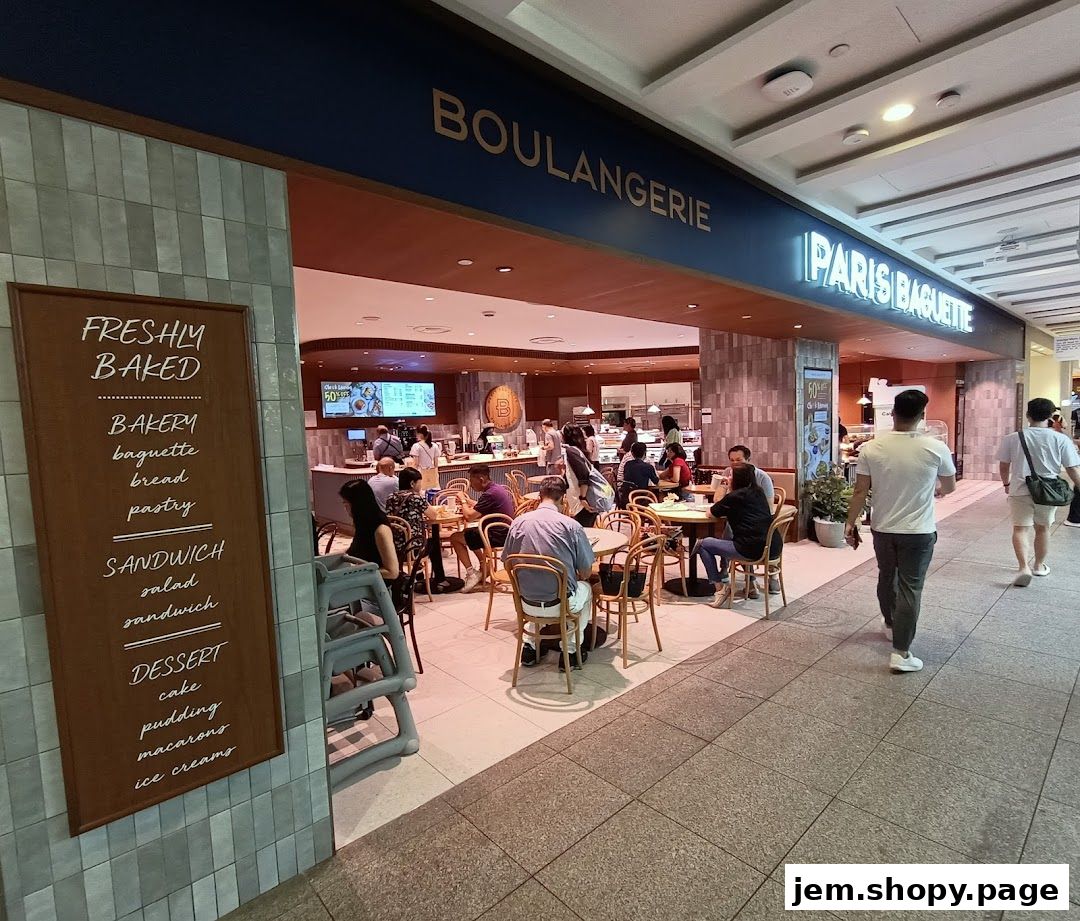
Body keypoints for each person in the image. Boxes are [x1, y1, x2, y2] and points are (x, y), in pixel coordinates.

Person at [844, 390, 956, 674]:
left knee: (886, 576)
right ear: (922, 416)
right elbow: (949, 487)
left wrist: (849, 523)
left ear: (892, 413)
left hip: (883, 529)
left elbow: (860, 491)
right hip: (918, 531)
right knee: (910, 587)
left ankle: (891, 623)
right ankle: (901, 653)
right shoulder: (935, 447)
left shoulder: (872, 448)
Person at [503, 477, 595, 670]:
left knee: (537, 584)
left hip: (526, 603)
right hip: (559, 604)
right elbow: (586, 572)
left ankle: (530, 646)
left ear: (539, 496)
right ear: (563, 499)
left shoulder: (518, 523)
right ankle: (570, 652)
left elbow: (508, 564)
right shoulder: (571, 526)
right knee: (586, 588)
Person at [996, 397, 1080, 582]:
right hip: (1048, 492)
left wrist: (1006, 484)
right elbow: (1072, 468)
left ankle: (1023, 568)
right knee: (1042, 529)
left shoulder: (1012, 438)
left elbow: (1004, 465)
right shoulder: (1060, 439)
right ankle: (1039, 566)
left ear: (1027, 415)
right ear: (1050, 417)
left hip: (1019, 488)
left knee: (1020, 529)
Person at [696, 465, 782, 608]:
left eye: (731, 476)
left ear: (738, 479)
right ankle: (750, 583)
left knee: (703, 544)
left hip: (751, 549)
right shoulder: (758, 492)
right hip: (773, 547)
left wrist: (724, 487)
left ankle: (720, 588)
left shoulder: (734, 497)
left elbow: (710, 513)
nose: (728, 478)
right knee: (738, 538)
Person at [451, 464, 516, 592]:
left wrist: (463, 501)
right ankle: (484, 566)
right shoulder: (496, 489)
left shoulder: (489, 494)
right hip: (504, 531)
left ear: (481, 479)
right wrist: (469, 502)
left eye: (471, 480)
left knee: (455, 537)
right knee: (467, 533)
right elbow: (482, 506)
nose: (471, 484)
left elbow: (469, 516)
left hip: (498, 535)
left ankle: (472, 573)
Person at [385, 467, 450, 591]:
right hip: (413, 549)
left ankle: (419, 579)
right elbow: (433, 515)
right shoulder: (415, 498)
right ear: (412, 483)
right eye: (420, 482)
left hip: (395, 548)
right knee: (434, 544)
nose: (421, 485)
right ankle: (440, 579)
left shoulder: (390, 497)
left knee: (422, 541)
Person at [339, 479, 399, 583]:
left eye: (346, 503)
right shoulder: (362, 523)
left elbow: (392, 572)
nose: (344, 508)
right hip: (364, 581)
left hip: (379, 587)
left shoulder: (380, 530)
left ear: (358, 504)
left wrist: (357, 572)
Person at [562, 423, 602, 527]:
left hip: (583, 503)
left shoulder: (571, 451)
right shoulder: (579, 451)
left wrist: (582, 498)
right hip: (588, 499)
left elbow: (584, 475)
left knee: (584, 534)